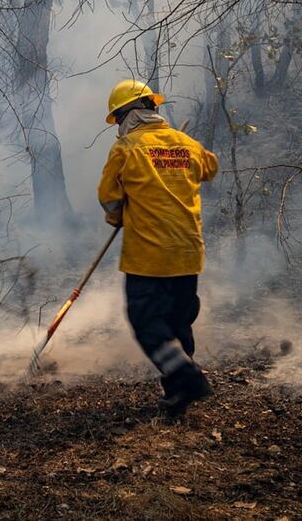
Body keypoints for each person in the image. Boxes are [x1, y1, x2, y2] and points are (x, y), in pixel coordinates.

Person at [97, 78, 219, 418]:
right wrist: (178, 156)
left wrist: (119, 215)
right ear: (152, 107)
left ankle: (185, 377)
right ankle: (179, 391)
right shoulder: (186, 144)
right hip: (188, 252)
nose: (118, 126)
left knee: (147, 322)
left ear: (126, 115)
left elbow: (108, 196)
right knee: (179, 322)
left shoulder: (126, 148)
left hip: (148, 257)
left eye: (117, 119)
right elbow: (210, 167)